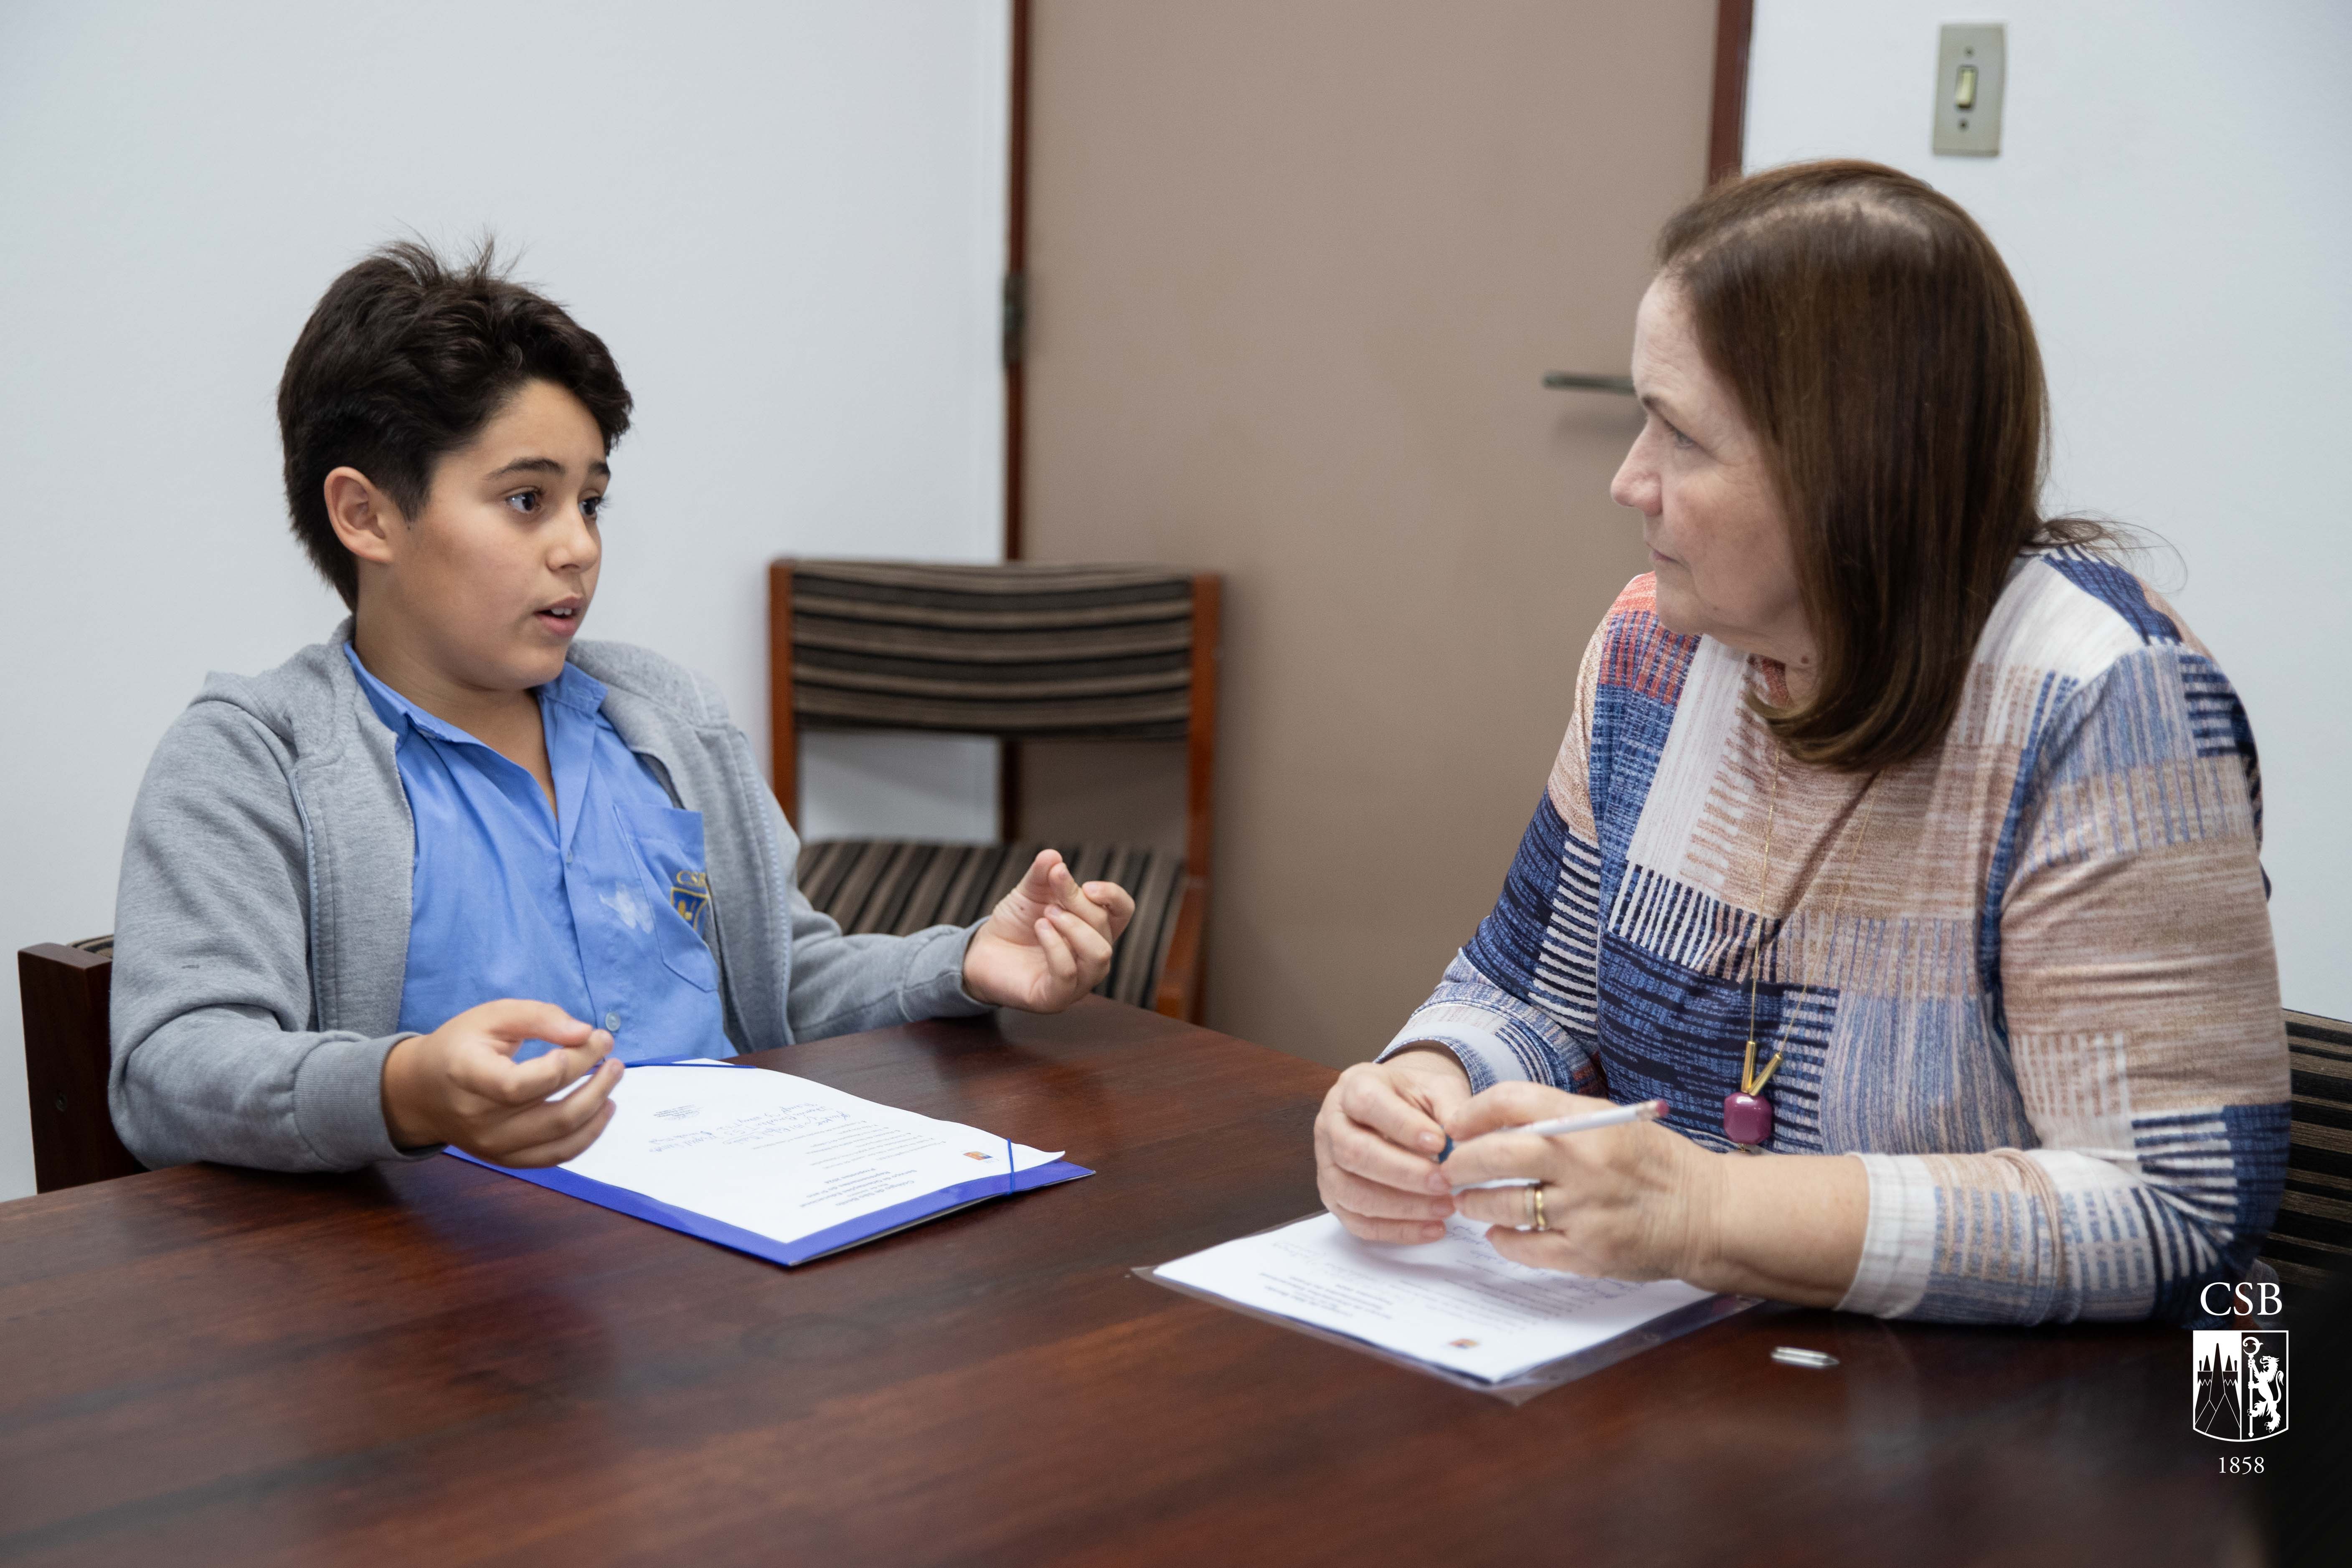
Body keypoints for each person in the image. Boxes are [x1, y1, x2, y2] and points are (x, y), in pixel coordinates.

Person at [1313, 161, 2289, 1325]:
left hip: (2003, 1444)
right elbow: (1532, 991)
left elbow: (2175, 1210)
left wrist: (1712, 1213)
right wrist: (1422, 1089)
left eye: (1679, 435)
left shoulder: (2107, 703)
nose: (1628, 481)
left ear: (1849, 469)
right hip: (1684, 1389)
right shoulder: (1654, 651)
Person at [110, 241, 1134, 1174]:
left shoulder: (665, 719)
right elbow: (174, 1066)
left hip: (730, 1247)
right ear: (365, 513)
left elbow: (792, 982)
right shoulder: (255, 759)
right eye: (527, 500)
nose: (579, 546)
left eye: (590, 501)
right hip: (437, 1299)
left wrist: (961, 960)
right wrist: (407, 1086)